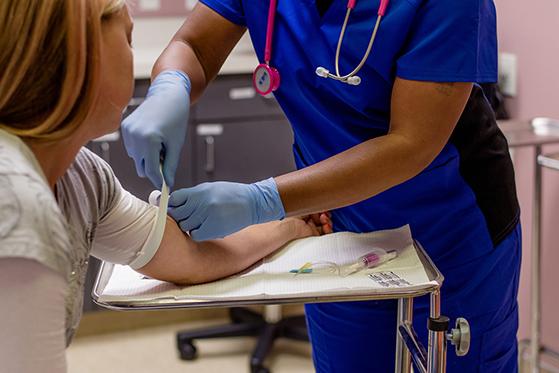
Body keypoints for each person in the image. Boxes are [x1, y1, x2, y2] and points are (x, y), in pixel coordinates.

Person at [122, 0, 522, 371]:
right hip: (339, 229)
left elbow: (412, 144)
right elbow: (193, 44)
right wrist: (170, 85)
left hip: (451, 233)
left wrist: (262, 200)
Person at [0, 1, 332, 372]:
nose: (135, 53)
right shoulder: (13, 200)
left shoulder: (83, 176)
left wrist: (291, 223)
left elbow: (188, 258)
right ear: (79, 53)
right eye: (128, 37)